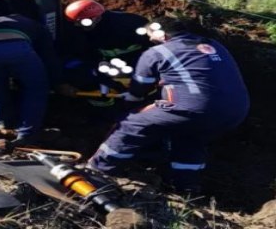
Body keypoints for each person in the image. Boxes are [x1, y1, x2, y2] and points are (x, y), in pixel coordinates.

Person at [87, 17, 250, 193]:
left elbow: (138, 89)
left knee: (132, 124)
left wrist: (128, 101)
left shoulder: (157, 52)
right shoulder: (215, 45)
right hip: (236, 111)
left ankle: (98, 170)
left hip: (193, 107)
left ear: (162, 34)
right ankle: (186, 187)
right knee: (190, 137)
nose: (150, 40)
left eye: (151, 36)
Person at [0, 2, 60, 146]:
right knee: (36, 88)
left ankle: (3, 124)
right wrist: (56, 82)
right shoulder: (36, 25)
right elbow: (48, 57)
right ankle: (27, 134)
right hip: (15, 46)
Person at [60, 0, 151, 101]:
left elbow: (152, 49)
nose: (77, 26)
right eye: (75, 23)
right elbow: (85, 54)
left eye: (79, 23)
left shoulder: (131, 25)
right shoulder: (80, 32)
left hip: (136, 63)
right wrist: (101, 76)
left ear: (96, 18)